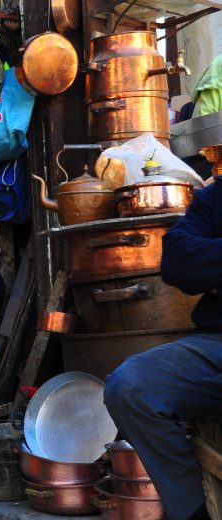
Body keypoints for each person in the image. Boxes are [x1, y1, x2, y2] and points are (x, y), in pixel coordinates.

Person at [103, 179, 222, 520]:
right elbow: (177, 262)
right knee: (131, 386)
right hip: (215, 346)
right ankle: (195, 511)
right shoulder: (216, 197)